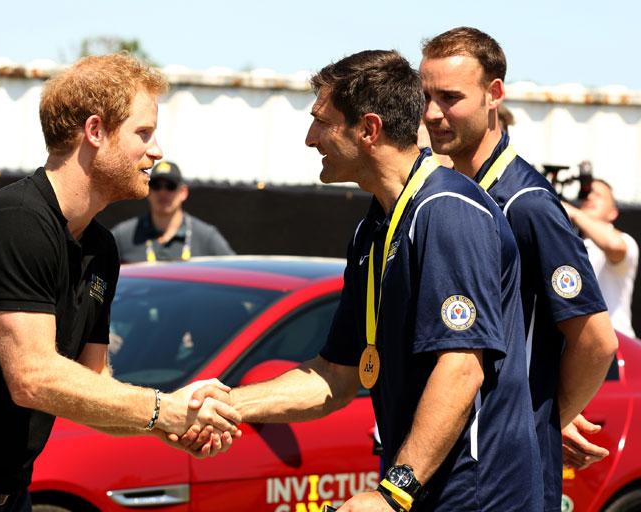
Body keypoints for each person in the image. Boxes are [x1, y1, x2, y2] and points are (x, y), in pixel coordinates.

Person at [0, 54, 239, 512]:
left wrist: (170, 420)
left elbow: (91, 383)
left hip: (5, 496)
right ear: (95, 131)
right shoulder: (17, 221)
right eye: (143, 133)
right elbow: (33, 378)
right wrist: (162, 409)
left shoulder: (101, 247)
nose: (157, 152)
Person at [188, 49, 543, 511]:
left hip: (475, 496)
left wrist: (393, 492)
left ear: (369, 129)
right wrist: (227, 405)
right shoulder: (374, 226)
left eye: (321, 121)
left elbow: (461, 369)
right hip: (421, 492)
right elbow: (335, 376)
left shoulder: (449, 212)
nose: (309, 138)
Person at [420, 27, 618, 506]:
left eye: (449, 97)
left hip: (504, 484)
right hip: (458, 473)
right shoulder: (451, 194)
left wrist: (534, 424)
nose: (431, 114)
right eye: (425, 96)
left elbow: (596, 340)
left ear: (495, 95)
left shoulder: (526, 204)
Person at [111, 160, 234, 263]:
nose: (163, 192)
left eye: (170, 186)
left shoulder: (206, 237)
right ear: (148, 190)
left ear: (183, 192)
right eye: (156, 186)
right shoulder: (124, 235)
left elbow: (234, 273)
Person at [563, 177, 638, 338]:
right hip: (584, 347)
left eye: (597, 195)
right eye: (586, 195)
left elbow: (614, 246)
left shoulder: (625, 240)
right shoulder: (573, 244)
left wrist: (574, 213)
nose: (589, 197)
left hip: (618, 343)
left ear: (613, 213)